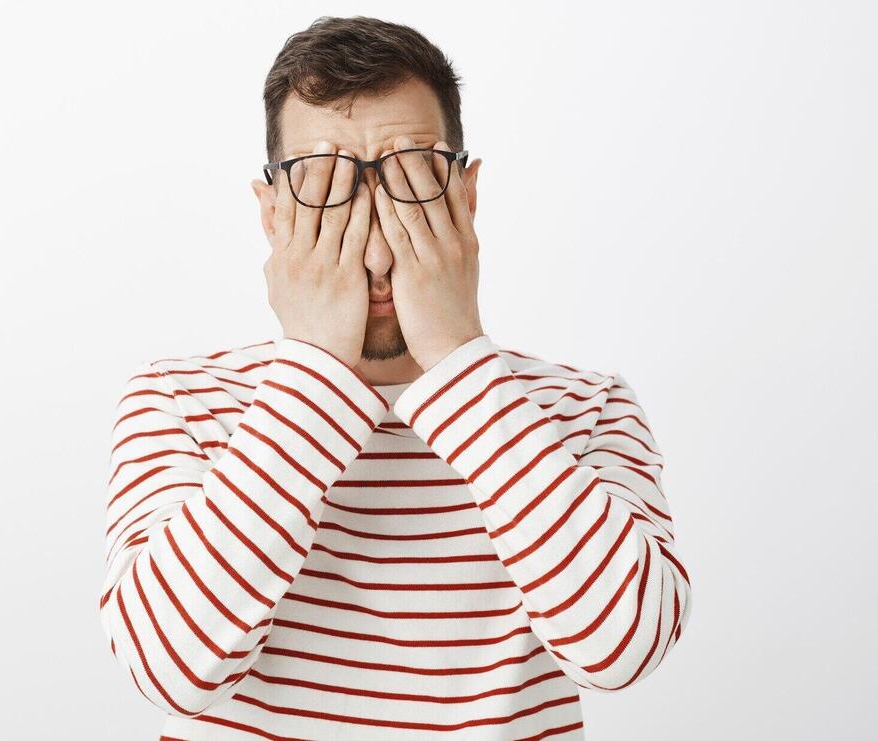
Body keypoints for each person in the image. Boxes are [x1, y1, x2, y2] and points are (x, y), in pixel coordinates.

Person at [98, 15, 692, 740]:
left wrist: (456, 351)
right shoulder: (182, 401)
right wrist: (314, 365)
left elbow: (622, 650)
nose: (376, 245)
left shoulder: (585, 408)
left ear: (467, 198)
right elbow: (169, 669)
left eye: (412, 179)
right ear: (272, 213)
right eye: (324, 186)